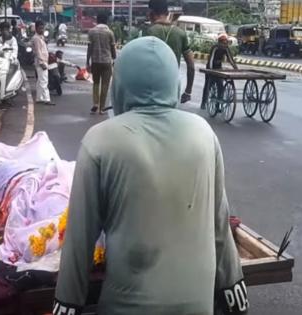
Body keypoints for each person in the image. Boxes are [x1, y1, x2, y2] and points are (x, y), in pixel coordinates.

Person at [53, 36, 248, 315]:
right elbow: (220, 222)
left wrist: (67, 302)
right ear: (174, 83)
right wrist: (233, 285)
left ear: (120, 84)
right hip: (198, 305)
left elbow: (80, 238)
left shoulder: (100, 141)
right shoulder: (204, 133)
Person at [145, 0, 195, 104]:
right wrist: (188, 91)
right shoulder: (181, 34)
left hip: (149, 88)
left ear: (151, 14)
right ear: (168, 14)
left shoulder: (147, 32)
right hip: (172, 87)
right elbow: (191, 66)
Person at [86, 12, 116, 115]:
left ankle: (95, 103)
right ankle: (102, 108)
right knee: (105, 84)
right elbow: (113, 48)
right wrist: (114, 59)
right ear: (106, 21)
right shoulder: (110, 32)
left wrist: (87, 61)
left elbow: (89, 48)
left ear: (97, 20)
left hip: (95, 61)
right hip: (106, 62)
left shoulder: (91, 32)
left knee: (96, 83)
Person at [201, 33, 238, 109]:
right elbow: (211, 59)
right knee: (208, 85)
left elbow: (230, 59)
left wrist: (236, 68)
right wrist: (210, 70)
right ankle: (204, 102)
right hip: (211, 67)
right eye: (224, 42)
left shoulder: (226, 48)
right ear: (220, 42)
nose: (225, 44)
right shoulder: (215, 47)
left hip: (219, 68)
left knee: (220, 86)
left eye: (226, 42)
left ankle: (218, 104)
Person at [33, 20, 55, 105]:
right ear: (36, 28)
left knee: (40, 81)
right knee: (44, 81)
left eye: (42, 28)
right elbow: (38, 51)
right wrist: (41, 62)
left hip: (43, 61)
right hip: (41, 62)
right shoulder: (36, 38)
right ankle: (47, 99)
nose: (41, 30)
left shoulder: (40, 37)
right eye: (40, 28)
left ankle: (39, 98)